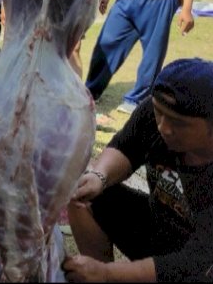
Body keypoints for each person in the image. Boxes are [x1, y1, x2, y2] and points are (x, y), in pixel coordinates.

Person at [64, 58, 213, 282]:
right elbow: (126, 147)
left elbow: (195, 260)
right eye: (158, 113)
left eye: (178, 123)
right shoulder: (155, 115)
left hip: (202, 263)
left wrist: (107, 274)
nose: (163, 127)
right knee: (83, 195)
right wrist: (98, 177)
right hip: (161, 227)